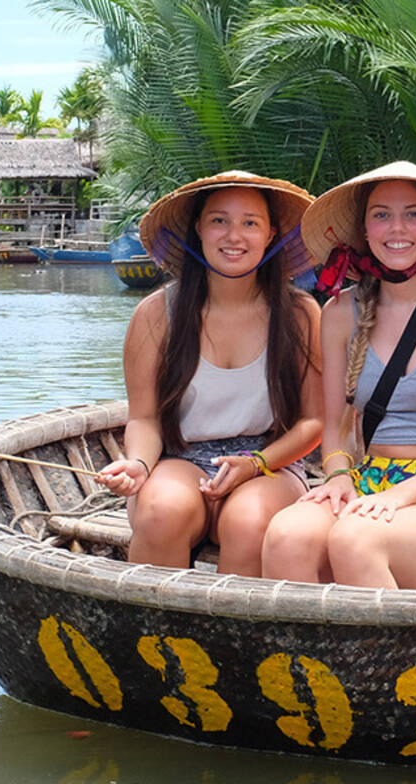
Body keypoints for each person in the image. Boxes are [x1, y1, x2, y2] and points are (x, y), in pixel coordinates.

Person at [261, 162, 416, 590]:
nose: (397, 228)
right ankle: (306, 659)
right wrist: (338, 475)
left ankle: (387, 659)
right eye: (381, 214)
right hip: (370, 479)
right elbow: (335, 426)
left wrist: (396, 499)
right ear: (365, 230)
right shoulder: (339, 313)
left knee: (356, 539)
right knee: (286, 536)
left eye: (413, 213)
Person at [92, 172, 323, 577]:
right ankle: (155, 635)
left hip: (270, 463)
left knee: (248, 522)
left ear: (270, 234)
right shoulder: (156, 314)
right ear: (198, 229)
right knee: (161, 512)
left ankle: (235, 640)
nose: (234, 236)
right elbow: (144, 418)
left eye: (250, 223)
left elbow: (314, 422)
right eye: (219, 221)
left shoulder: (301, 314)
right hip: (180, 459)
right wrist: (139, 466)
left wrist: (255, 463)